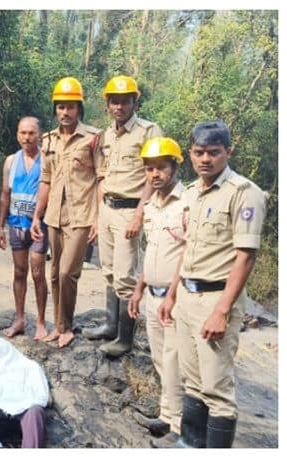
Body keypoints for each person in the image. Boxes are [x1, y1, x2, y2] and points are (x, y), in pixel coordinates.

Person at [156, 121, 266, 448]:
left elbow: (245, 257)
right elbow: (188, 249)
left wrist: (221, 311)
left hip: (216, 299)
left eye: (214, 153)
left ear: (228, 152)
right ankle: (189, 445)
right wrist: (172, 294)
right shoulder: (192, 193)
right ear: (189, 153)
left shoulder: (244, 193)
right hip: (187, 298)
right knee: (193, 382)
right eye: (199, 152)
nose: (206, 159)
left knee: (217, 391)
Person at [84, 75, 164, 357]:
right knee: (108, 269)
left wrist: (139, 215)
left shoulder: (148, 132)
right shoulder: (106, 135)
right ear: (107, 104)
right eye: (114, 101)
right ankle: (110, 325)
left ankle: (125, 339)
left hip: (131, 208)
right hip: (107, 207)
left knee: (125, 276)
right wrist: (97, 216)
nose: (119, 107)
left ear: (134, 101)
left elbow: (152, 178)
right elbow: (101, 176)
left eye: (125, 101)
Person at [31, 77, 102, 348]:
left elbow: (100, 178)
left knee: (66, 273)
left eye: (71, 107)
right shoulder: (48, 140)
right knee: (53, 273)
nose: (65, 112)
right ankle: (59, 325)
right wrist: (37, 215)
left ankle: (67, 326)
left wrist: (98, 218)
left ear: (79, 109)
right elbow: (45, 179)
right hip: (54, 216)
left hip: (81, 215)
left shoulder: (93, 139)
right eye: (60, 107)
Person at [127, 137, 186, 445]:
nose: (155, 174)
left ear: (175, 166)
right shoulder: (150, 205)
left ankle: (179, 427)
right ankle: (166, 416)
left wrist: (174, 295)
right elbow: (149, 254)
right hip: (152, 295)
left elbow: (188, 254)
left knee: (176, 361)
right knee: (161, 360)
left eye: (161, 167)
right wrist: (138, 289)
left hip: (175, 299)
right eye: (149, 169)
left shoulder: (187, 203)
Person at [0, 116, 49, 340]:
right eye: (23, 133)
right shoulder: (11, 161)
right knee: (19, 272)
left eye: (31, 133)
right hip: (16, 224)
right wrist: (0, 226)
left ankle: (40, 321)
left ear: (40, 135)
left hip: (39, 225)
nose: (27, 138)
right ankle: (19, 319)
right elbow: (5, 195)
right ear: (17, 134)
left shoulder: (47, 161)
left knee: (38, 272)